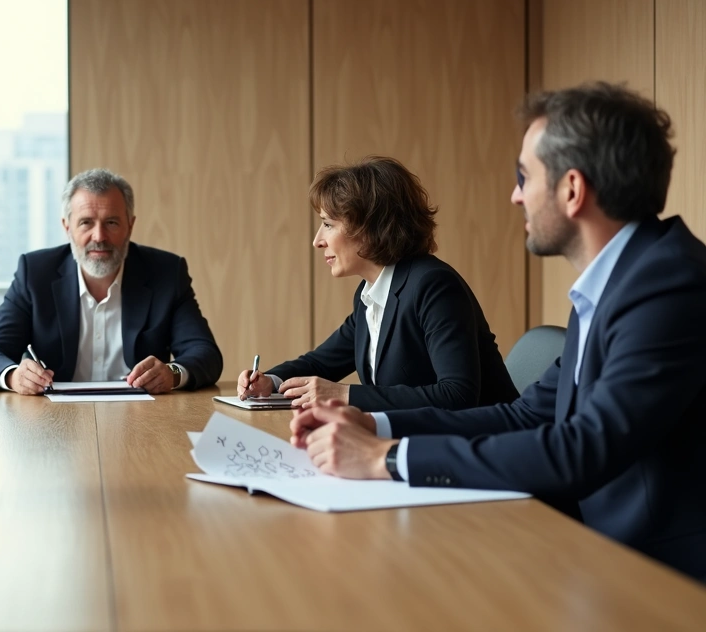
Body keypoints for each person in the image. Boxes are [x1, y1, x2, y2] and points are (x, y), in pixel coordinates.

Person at [289, 82, 706, 581]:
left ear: (572, 190)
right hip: (591, 545)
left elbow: (584, 448)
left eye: (523, 176)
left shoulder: (668, 285)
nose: (514, 196)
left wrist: (389, 458)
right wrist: (375, 426)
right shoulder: (621, 281)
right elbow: (527, 414)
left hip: (655, 575)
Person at [238, 157, 518, 411]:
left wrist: (346, 395)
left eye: (328, 224)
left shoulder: (433, 286)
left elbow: (458, 395)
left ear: (371, 228)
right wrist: (270, 382)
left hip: (483, 448)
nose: (317, 240)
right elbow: (321, 363)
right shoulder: (370, 293)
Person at [0, 168, 223, 394]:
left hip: (143, 418)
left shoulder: (166, 273)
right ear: (67, 227)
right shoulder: (36, 273)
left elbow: (206, 354)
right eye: (86, 223)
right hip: (55, 422)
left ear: (130, 225)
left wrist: (173, 373)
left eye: (111, 222)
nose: (99, 236)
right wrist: (15, 376)